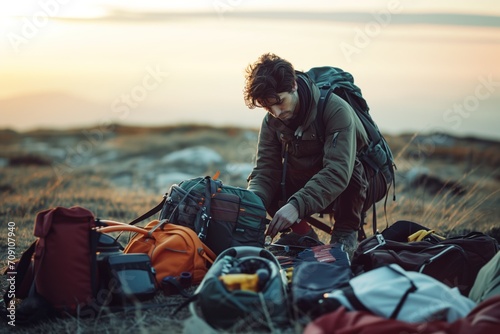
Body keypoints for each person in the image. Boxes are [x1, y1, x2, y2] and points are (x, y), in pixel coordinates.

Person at [243, 53, 386, 257]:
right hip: (314, 177)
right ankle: (307, 239)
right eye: (268, 107)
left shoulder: (336, 109)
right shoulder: (272, 121)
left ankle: (345, 235)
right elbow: (266, 170)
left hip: (367, 181)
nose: (276, 112)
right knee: (268, 185)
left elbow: (338, 172)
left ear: (293, 85)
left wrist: (296, 205)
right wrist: (252, 204)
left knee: (351, 169)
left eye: (280, 102)